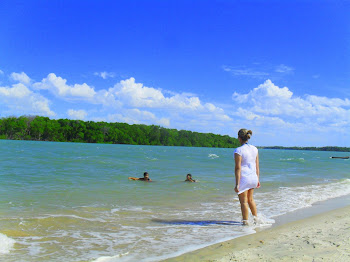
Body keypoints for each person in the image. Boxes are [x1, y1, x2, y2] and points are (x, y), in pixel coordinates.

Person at [234, 129, 260, 225]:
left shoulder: (238, 150)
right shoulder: (255, 149)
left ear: (239, 138)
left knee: (244, 202)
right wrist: (258, 179)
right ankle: (256, 219)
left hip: (244, 178)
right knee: (251, 200)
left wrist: (237, 184)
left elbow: (238, 168)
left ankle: (245, 222)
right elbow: (257, 166)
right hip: (253, 177)